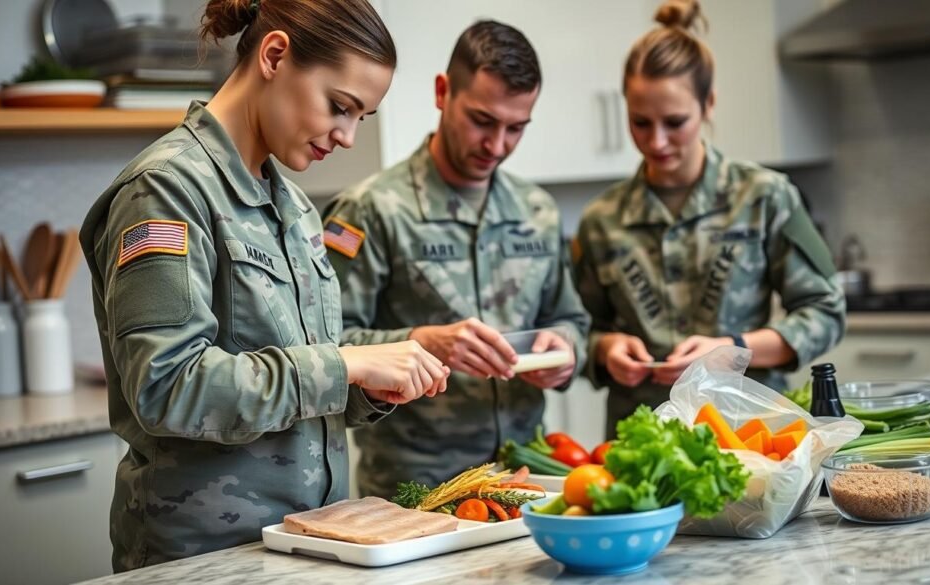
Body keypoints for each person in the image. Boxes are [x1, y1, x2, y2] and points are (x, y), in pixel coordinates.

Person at [78, 0, 449, 571]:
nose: (347, 136)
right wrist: (346, 365)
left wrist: (372, 383)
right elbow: (166, 386)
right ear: (275, 55)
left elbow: (300, 371)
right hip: (204, 560)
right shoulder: (166, 191)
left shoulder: (294, 205)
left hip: (311, 545)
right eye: (339, 107)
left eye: (361, 118)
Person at [323, 20, 591, 498]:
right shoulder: (372, 210)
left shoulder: (538, 212)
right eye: (482, 121)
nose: (497, 145)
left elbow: (570, 317)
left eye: (516, 128)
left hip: (524, 477)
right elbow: (325, 343)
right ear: (443, 93)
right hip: (414, 490)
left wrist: (566, 350)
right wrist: (422, 342)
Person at [573, 0, 846, 436]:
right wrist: (606, 349)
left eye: (674, 122)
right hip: (643, 441)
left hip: (752, 435)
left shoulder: (764, 197)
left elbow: (826, 311)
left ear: (709, 104)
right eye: (640, 122)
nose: (656, 141)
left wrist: (736, 349)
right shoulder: (601, 220)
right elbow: (576, 331)